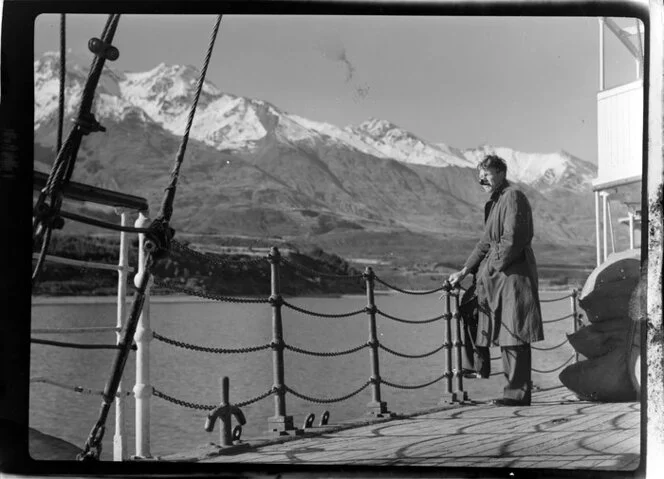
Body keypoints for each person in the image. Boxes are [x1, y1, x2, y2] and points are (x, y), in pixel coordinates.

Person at [448, 154, 543, 406]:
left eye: (487, 174)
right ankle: (480, 369)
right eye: (480, 176)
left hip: (513, 276)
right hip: (497, 276)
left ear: (501, 172)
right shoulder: (496, 201)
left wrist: (491, 267)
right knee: (477, 313)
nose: (483, 179)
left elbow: (514, 238)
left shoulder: (513, 196)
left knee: (514, 333)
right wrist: (465, 270)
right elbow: (485, 243)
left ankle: (517, 394)